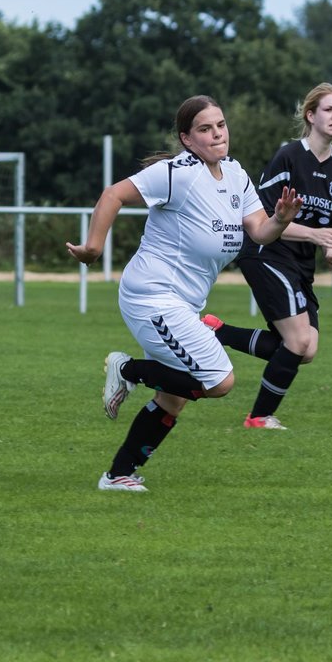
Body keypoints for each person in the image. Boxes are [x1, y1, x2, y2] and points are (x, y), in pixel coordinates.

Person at [65, 95, 302, 492]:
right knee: (219, 380)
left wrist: (279, 219)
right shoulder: (176, 173)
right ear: (187, 139)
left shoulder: (236, 175)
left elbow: (259, 231)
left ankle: (118, 475)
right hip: (151, 296)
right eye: (205, 129)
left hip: (181, 303)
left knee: (175, 395)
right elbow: (113, 195)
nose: (217, 135)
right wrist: (93, 247)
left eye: (221, 126)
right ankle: (127, 370)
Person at [200, 82, 332, 430]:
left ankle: (216, 331)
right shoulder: (289, 157)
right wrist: (313, 235)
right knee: (297, 341)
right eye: (329, 109)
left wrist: (329, 251)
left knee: (305, 350)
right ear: (311, 115)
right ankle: (259, 417)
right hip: (265, 252)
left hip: (299, 262)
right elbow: (263, 221)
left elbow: (328, 225)